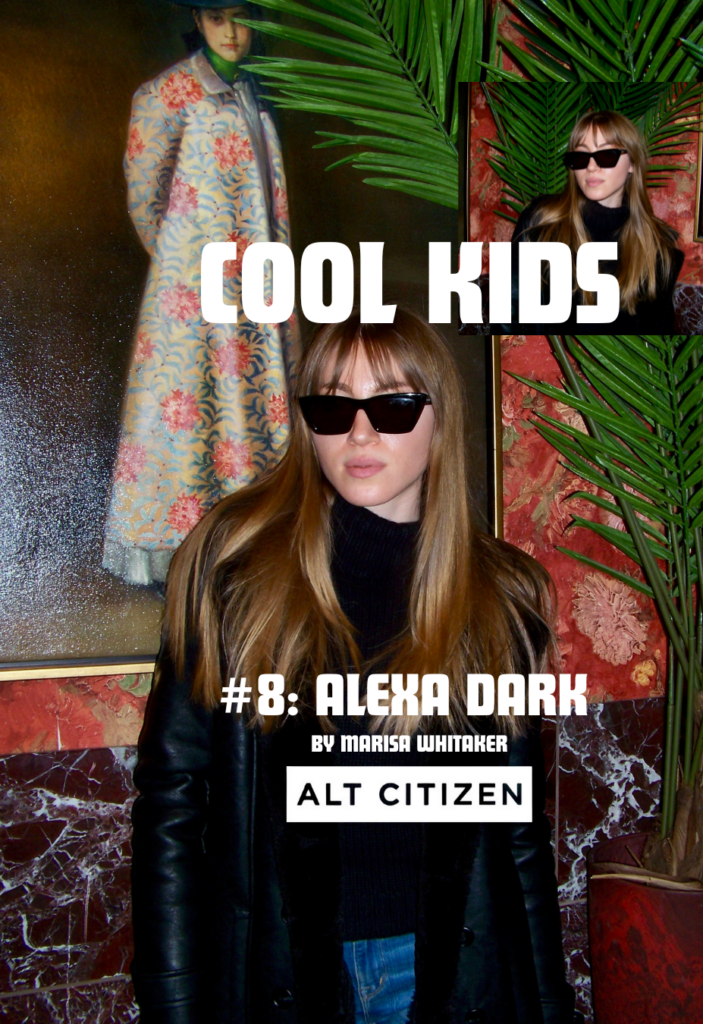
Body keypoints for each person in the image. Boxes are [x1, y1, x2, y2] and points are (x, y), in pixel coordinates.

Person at [130, 308, 575, 1024]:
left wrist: (549, 1006)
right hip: (283, 975)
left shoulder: (501, 596)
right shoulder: (233, 568)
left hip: (450, 977)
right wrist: (173, 1003)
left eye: (393, 406)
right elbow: (172, 808)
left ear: (438, 417)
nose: (359, 433)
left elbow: (516, 834)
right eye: (333, 406)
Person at [103, 2, 297, 587]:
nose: (232, 33)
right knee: (188, 408)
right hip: (192, 293)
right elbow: (145, 197)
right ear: (197, 18)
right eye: (217, 19)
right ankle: (180, 558)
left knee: (254, 404)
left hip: (257, 282)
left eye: (242, 17)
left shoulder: (257, 90)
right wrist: (184, 268)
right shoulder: (165, 95)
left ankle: (249, 548)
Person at [493, 109, 684, 336]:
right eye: (581, 157)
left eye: (606, 155)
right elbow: (507, 318)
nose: (591, 167)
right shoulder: (540, 223)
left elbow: (658, 338)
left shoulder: (659, 248)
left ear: (632, 163)